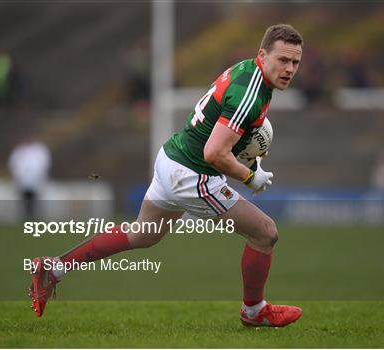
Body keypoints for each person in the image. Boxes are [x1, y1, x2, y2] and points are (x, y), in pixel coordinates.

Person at [30, 24, 304, 327]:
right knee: (265, 233)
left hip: (172, 157)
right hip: (192, 175)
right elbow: (213, 154)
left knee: (142, 234)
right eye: (283, 60)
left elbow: (219, 136)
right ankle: (254, 312)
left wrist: (248, 162)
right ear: (262, 55)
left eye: (295, 62)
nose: (289, 69)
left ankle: (54, 269)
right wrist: (250, 177)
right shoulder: (249, 96)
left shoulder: (247, 72)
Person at [8, 137, 51, 218]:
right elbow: (14, 164)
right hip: (23, 180)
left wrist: (39, 175)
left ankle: (33, 215)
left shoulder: (39, 149)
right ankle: (27, 215)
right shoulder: (19, 150)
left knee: (34, 199)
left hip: (36, 180)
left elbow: (43, 163)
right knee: (25, 199)